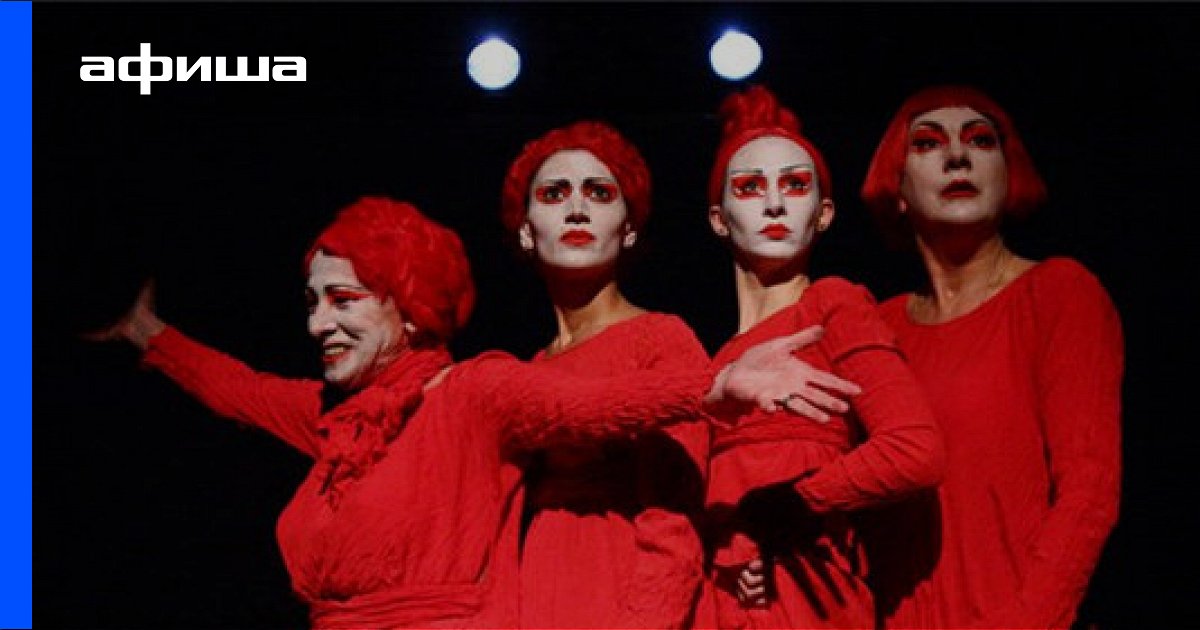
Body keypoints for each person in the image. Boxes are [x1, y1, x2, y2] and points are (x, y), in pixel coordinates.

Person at [86, 196, 827, 629]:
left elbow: (592, 404)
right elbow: (242, 391)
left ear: (409, 310)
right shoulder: (337, 420)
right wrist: (149, 334)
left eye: (343, 300)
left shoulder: (473, 395)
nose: (317, 323)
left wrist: (714, 386)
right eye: (311, 303)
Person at [499, 120, 838, 629]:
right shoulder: (532, 368)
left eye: (599, 193)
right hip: (540, 590)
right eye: (554, 194)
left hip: (620, 592)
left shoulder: (660, 339)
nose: (576, 209)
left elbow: (674, 525)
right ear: (526, 230)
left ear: (629, 227)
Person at [858, 84, 1124, 629]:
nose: (959, 155)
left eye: (981, 140)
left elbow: (1089, 491)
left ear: (1009, 176)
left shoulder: (1057, 294)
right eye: (928, 143)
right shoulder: (876, 328)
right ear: (898, 188)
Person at [697, 85, 946, 629]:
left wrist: (798, 502)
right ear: (718, 218)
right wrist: (728, 547)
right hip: (724, 607)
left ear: (824, 213)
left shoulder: (832, 305)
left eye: (794, 184)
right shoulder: (714, 365)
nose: (774, 203)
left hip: (812, 600)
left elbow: (914, 449)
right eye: (749, 187)